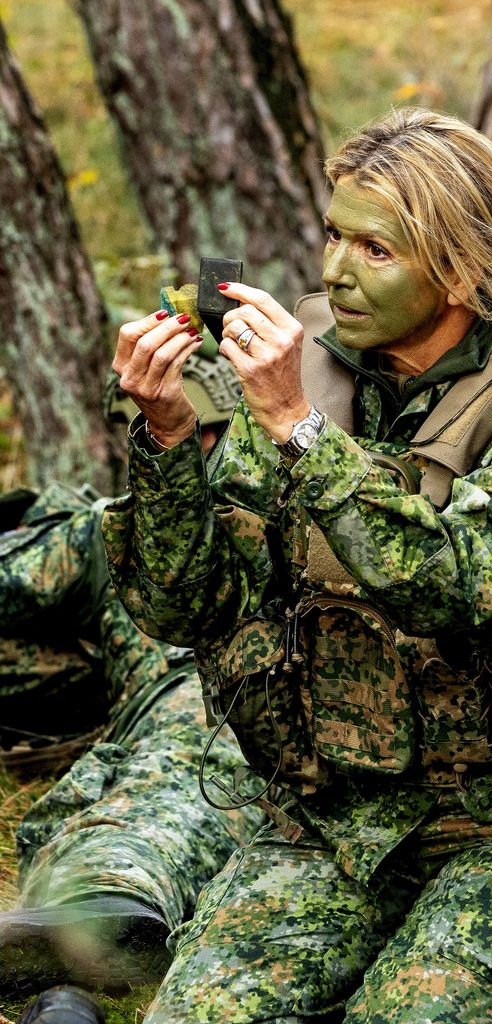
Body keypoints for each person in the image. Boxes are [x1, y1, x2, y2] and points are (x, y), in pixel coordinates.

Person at [102, 107, 492, 1024]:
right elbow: (185, 609)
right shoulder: (305, 375)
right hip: (342, 819)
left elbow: (460, 581)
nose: (335, 270)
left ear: (459, 268)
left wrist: (300, 432)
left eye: (376, 249)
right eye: (334, 233)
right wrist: (168, 440)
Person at [0, 352, 265, 1005]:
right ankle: (98, 907)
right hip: (176, 705)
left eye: (204, 435)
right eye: (160, 433)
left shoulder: (296, 507)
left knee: (207, 760)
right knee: (191, 756)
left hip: (265, 704)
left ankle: (103, 902)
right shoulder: (113, 529)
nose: (192, 453)